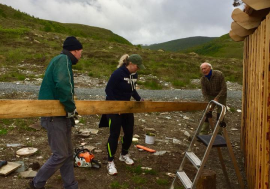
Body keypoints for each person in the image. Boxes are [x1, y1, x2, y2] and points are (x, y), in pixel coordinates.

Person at [29, 36, 83, 189]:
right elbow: (64, 86)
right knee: (60, 154)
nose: (81, 56)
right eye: (81, 52)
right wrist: (72, 108)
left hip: (60, 115)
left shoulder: (61, 60)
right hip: (54, 116)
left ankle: (71, 185)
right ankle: (36, 183)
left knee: (67, 154)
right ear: (75, 50)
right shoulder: (63, 60)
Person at [103, 54, 145, 176]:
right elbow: (108, 90)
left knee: (129, 132)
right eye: (137, 66)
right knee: (114, 134)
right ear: (130, 64)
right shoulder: (118, 73)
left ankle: (124, 154)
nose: (138, 69)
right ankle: (110, 161)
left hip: (127, 108)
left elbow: (132, 90)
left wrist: (138, 99)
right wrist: (116, 106)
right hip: (113, 108)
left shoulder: (134, 75)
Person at [199, 62, 227, 135]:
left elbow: (224, 88)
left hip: (220, 95)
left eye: (204, 68)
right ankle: (203, 132)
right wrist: (207, 102)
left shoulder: (219, 74)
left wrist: (217, 98)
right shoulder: (203, 79)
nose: (203, 70)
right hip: (210, 95)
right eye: (202, 69)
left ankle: (218, 132)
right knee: (207, 112)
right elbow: (204, 92)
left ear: (209, 68)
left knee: (220, 113)